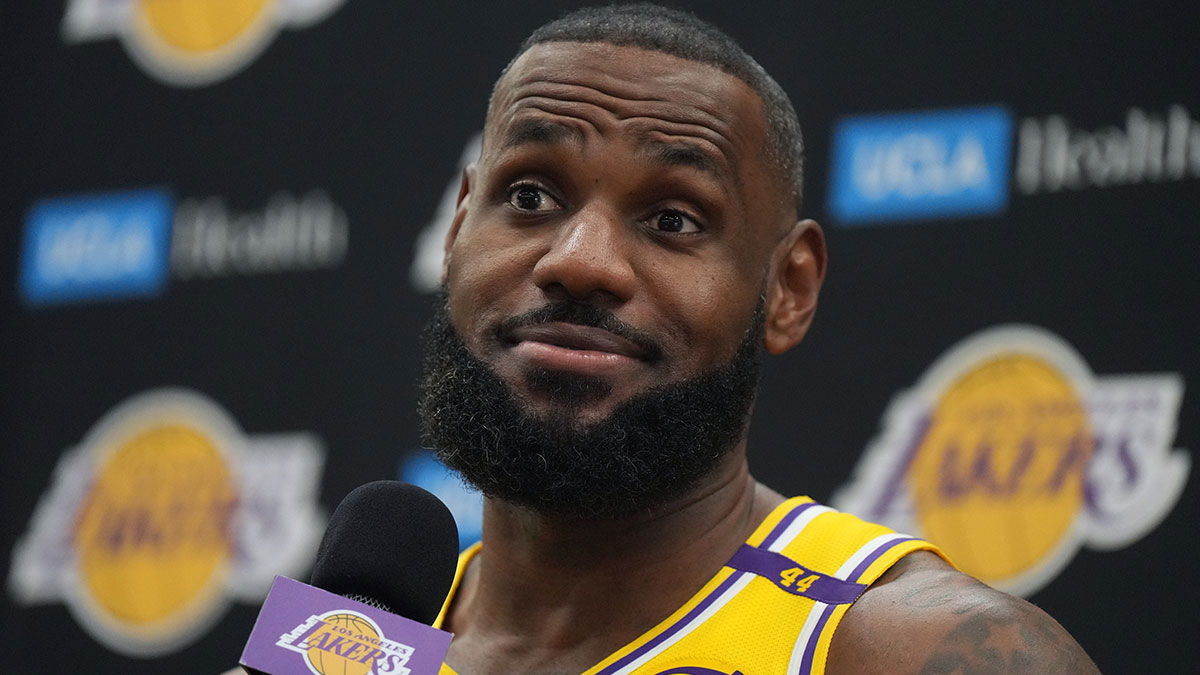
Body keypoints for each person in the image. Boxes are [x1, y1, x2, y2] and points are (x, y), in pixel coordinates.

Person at [415, 4, 1100, 674]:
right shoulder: (342, 637)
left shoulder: (918, 651)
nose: (580, 260)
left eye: (673, 220)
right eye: (531, 196)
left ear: (789, 289)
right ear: (456, 231)